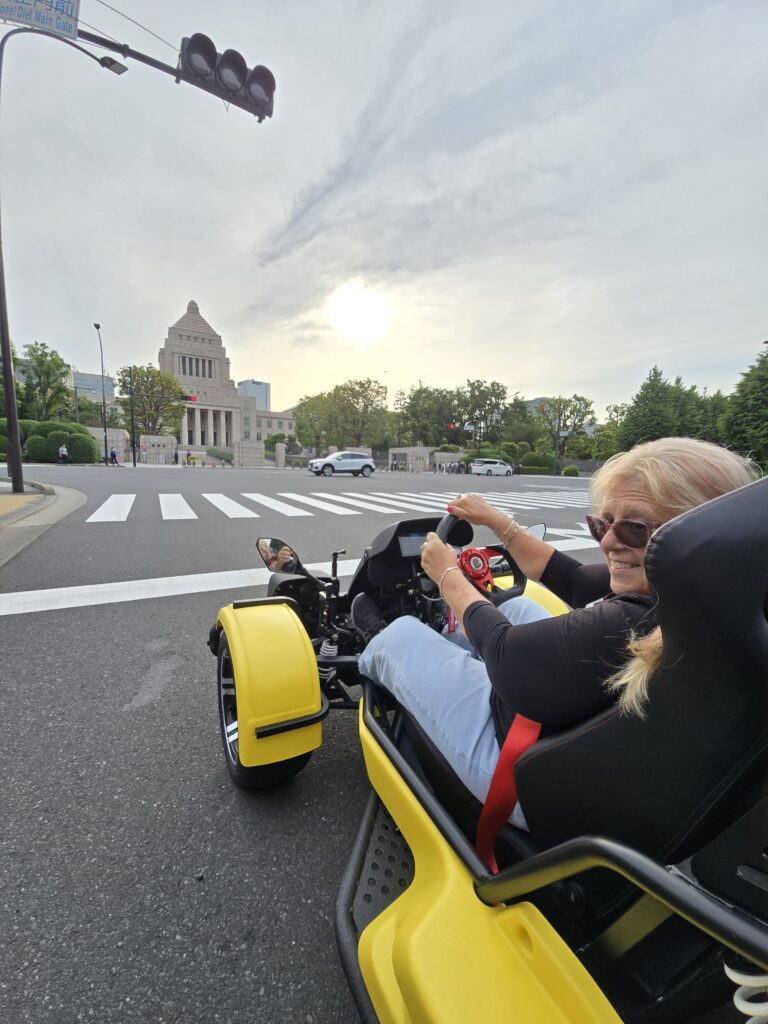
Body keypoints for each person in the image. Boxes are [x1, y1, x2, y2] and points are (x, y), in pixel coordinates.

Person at [356, 438, 756, 825]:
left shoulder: (636, 622)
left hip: (528, 777)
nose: (608, 541)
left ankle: (375, 639)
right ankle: (443, 651)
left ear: (696, 539)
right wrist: (497, 521)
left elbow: (507, 657)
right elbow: (573, 579)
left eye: (635, 528)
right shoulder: (704, 604)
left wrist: (448, 576)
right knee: (511, 606)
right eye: (602, 524)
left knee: (401, 636)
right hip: (584, 752)